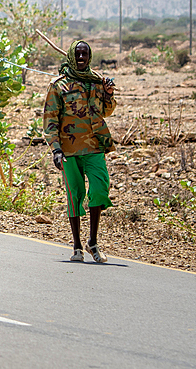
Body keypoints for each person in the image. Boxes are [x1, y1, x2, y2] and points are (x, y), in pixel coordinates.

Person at [45, 40, 116, 263]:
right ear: (70, 56)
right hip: (68, 149)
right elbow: (50, 121)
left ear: (90, 56)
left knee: (99, 188)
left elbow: (107, 111)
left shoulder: (96, 82)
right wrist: (55, 150)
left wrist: (108, 93)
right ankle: (77, 245)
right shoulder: (58, 85)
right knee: (74, 195)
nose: (81, 58)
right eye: (78, 54)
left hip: (94, 146)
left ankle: (93, 242)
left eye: (85, 54)